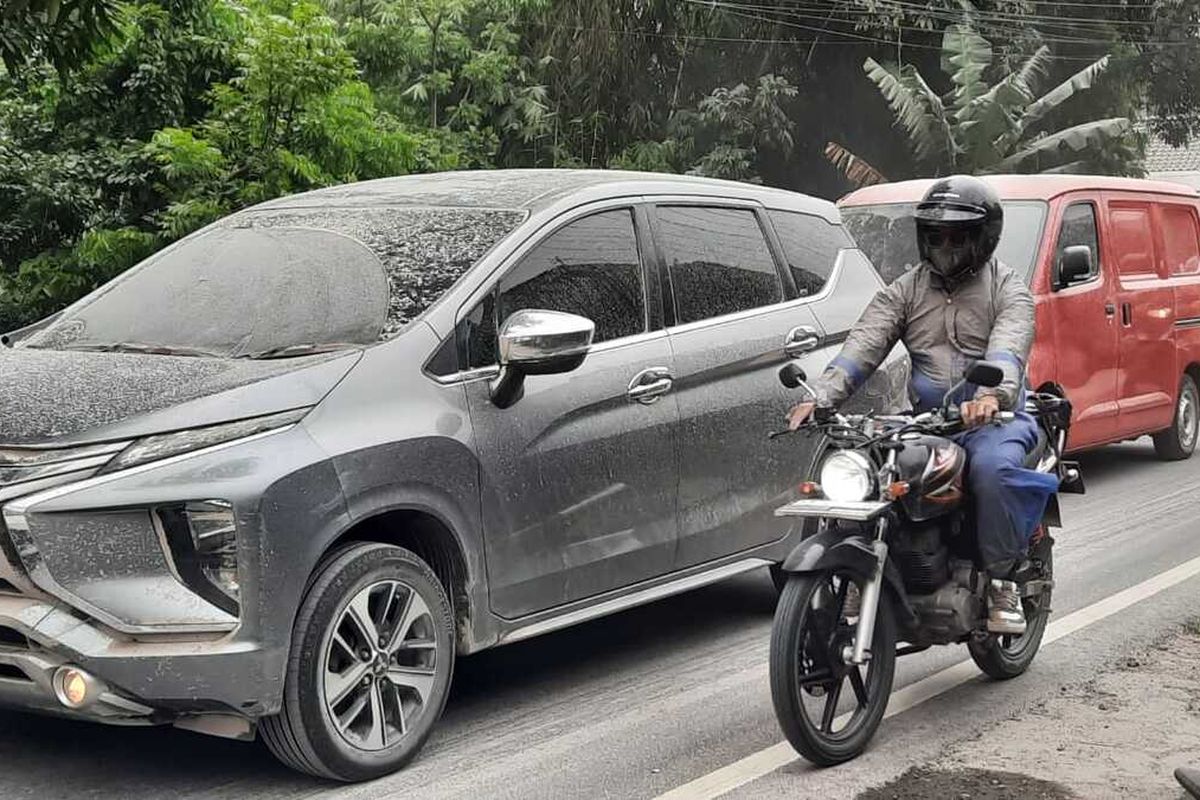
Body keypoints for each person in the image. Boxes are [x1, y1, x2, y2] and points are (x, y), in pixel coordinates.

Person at [787, 175, 1059, 635]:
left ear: (983, 236)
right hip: (928, 422)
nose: (945, 243)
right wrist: (823, 397)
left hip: (999, 419)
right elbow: (865, 343)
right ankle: (862, 567)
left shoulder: (1007, 289)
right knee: (870, 467)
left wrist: (992, 395)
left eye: (957, 234)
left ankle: (1000, 581)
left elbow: (1008, 349)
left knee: (991, 471)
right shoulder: (906, 290)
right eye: (936, 234)